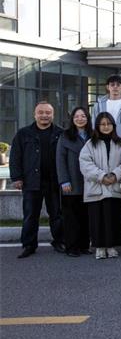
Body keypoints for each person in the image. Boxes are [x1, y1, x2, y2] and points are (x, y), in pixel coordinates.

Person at [11, 101, 65, 258]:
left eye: (48, 113)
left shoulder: (60, 133)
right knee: (30, 215)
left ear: (53, 115)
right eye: (41, 112)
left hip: (54, 181)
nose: (44, 116)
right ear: (34, 115)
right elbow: (15, 157)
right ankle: (29, 245)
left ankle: (59, 241)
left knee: (57, 214)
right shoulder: (23, 134)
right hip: (31, 181)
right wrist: (17, 177)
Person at [79, 112, 121, 260]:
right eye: (103, 124)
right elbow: (85, 163)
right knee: (97, 219)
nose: (106, 127)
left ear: (113, 125)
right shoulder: (90, 144)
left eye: (109, 124)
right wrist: (101, 176)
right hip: (96, 188)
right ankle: (99, 247)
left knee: (114, 217)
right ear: (97, 126)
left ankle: (111, 246)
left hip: (115, 186)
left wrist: (115, 175)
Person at [56, 107, 91, 257]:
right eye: (77, 116)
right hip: (71, 182)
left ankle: (84, 245)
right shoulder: (65, 136)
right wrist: (64, 180)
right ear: (72, 119)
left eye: (83, 116)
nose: (80, 119)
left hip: (89, 182)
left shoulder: (93, 135)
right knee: (71, 217)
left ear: (88, 118)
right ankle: (71, 247)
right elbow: (60, 160)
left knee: (86, 216)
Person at [92, 75, 121, 141]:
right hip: (102, 141)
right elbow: (94, 124)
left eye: (118, 85)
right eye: (112, 85)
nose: (115, 87)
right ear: (108, 87)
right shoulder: (98, 105)